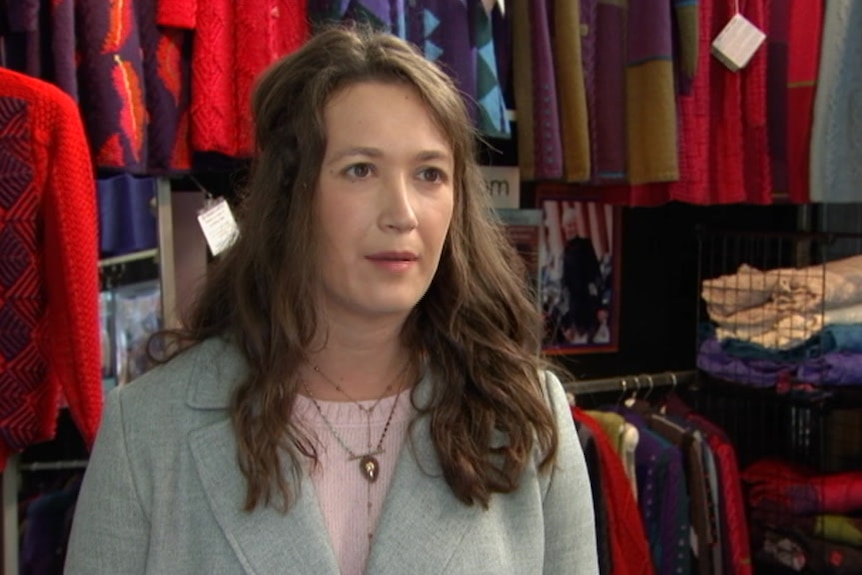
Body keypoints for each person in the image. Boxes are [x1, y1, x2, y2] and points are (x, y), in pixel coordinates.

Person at [64, 26, 599, 575]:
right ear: (292, 196)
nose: (403, 213)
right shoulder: (148, 429)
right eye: (361, 170)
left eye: (429, 174)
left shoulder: (528, 416)